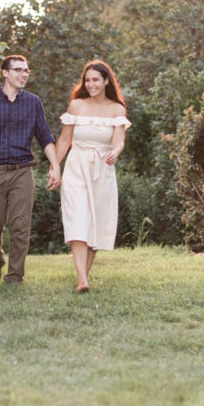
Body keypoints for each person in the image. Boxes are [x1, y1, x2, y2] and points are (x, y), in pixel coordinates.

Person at [0, 55, 61, 284]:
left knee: (20, 226)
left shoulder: (33, 102)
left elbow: (45, 137)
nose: (24, 74)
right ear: (5, 73)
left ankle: (14, 276)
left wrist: (56, 166)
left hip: (23, 172)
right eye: (18, 70)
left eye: (26, 71)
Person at [53, 60, 130, 293]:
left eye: (96, 79)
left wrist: (114, 153)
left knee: (96, 222)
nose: (91, 84)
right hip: (77, 166)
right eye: (87, 80)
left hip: (102, 169)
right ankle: (82, 280)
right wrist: (55, 167)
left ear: (106, 81)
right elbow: (65, 140)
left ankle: (83, 277)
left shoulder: (117, 109)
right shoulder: (76, 106)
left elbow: (118, 141)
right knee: (77, 218)